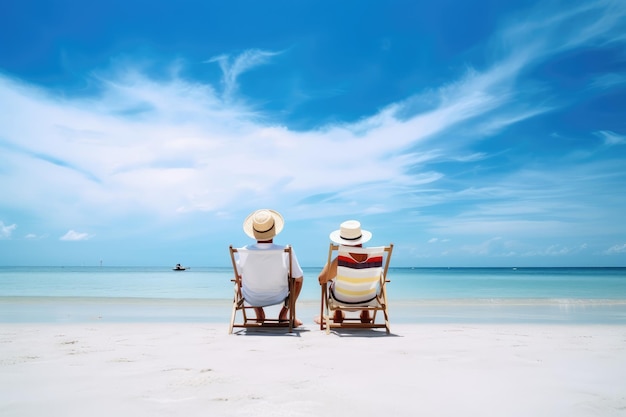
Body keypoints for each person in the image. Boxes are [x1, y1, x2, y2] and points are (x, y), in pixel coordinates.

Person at [235, 209, 304, 326]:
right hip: (279, 296)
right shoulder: (286, 251)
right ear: (274, 231)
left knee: (242, 279)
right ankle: (284, 314)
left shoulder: (243, 252)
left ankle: (259, 314)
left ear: (254, 232)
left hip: (251, 297)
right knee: (297, 279)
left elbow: (238, 277)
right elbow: (298, 278)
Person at [317, 220, 373, 324]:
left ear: (342, 242)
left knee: (329, 281)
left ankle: (337, 313)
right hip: (367, 299)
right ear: (361, 241)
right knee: (368, 281)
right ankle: (365, 313)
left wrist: (329, 263)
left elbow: (321, 279)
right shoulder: (372, 258)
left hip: (342, 299)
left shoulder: (340, 260)